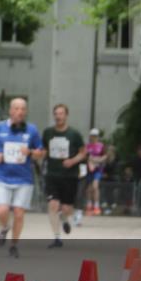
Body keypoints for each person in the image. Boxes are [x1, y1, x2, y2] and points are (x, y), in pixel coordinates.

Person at [0, 98, 44, 258]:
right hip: (2, 176)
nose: (19, 112)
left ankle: (14, 244)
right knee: (2, 209)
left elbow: (40, 152)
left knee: (19, 213)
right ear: (10, 110)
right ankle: (4, 227)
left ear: (26, 111)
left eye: (22, 109)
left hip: (23, 178)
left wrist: (31, 152)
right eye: (16, 108)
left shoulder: (32, 130)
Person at [42, 104, 87, 248]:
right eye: (56, 113)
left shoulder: (74, 134)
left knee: (67, 209)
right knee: (53, 205)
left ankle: (64, 219)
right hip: (52, 175)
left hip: (69, 176)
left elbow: (83, 152)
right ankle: (57, 238)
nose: (58, 116)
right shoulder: (48, 133)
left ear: (66, 115)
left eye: (61, 113)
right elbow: (43, 150)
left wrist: (73, 160)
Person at [85, 128, 106, 216]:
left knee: (95, 186)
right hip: (89, 169)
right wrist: (90, 161)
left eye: (95, 136)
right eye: (92, 136)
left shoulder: (101, 146)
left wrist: (98, 160)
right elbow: (85, 156)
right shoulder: (87, 146)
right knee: (89, 188)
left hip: (98, 169)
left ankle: (96, 206)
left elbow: (104, 156)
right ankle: (89, 205)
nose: (93, 137)